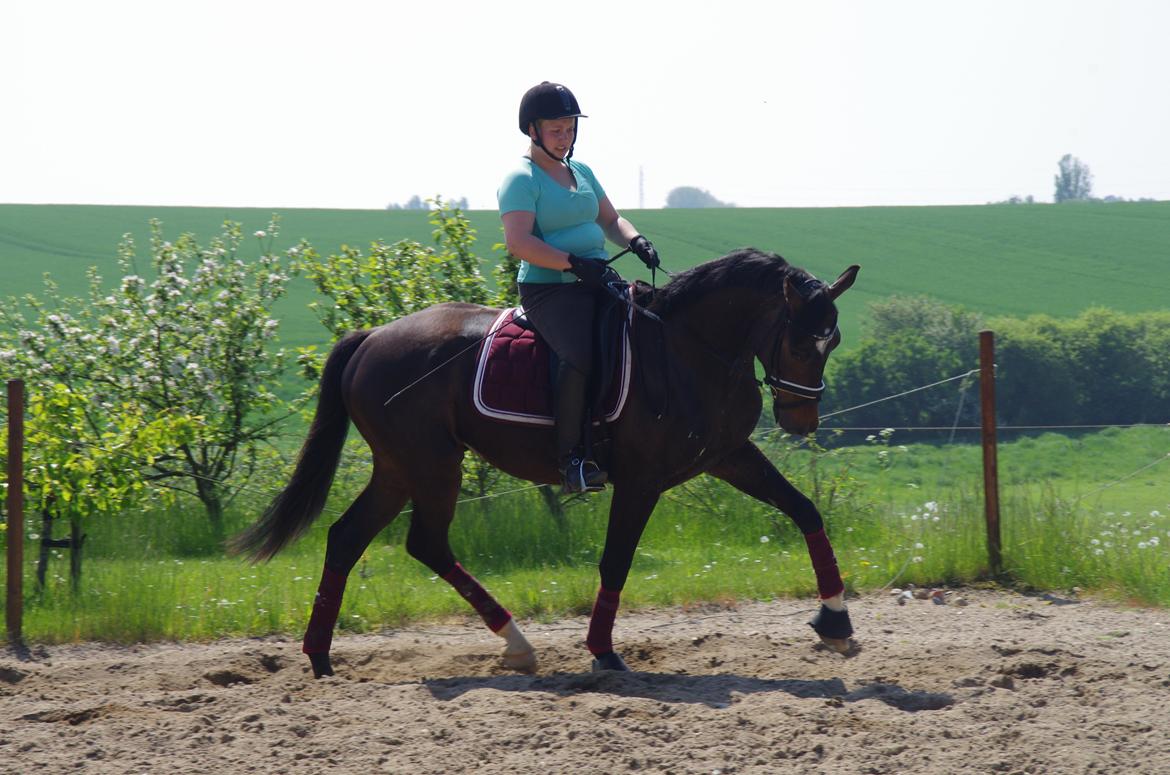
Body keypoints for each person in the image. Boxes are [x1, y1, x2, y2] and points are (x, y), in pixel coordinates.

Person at [498, 81, 661, 493]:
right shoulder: (521, 178)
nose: (564, 136)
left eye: (570, 128)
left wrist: (635, 239)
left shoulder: (582, 171)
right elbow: (519, 243)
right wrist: (572, 264)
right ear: (532, 130)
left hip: (594, 280)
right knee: (579, 356)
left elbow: (610, 220)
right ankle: (571, 460)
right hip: (549, 289)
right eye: (555, 129)